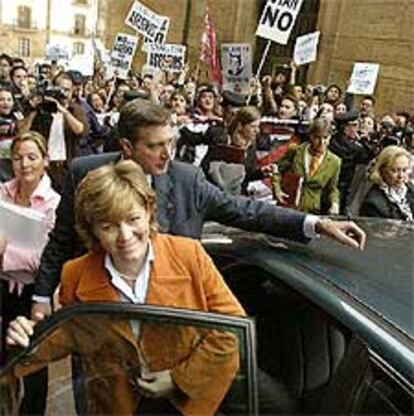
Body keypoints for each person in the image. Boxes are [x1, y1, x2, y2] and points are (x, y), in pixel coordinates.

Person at [31, 99, 366, 319]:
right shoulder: (85, 173)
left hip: (169, 319)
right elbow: (61, 239)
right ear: (127, 147)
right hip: (100, 314)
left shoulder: (187, 180)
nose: (167, 154)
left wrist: (318, 224)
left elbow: (246, 211)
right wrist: (42, 296)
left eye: (171, 143)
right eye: (156, 146)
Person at [7, 160, 245, 415]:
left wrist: (178, 379)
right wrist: (25, 338)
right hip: (116, 405)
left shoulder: (189, 256)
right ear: (92, 230)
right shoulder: (76, 273)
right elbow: (70, 336)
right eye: (108, 226)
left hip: (185, 403)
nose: (125, 236)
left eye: (133, 219)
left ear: (149, 211)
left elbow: (232, 329)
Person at [1, 131, 60, 414]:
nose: (24, 164)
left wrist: (4, 251)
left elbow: (42, 259)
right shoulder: (2, 193)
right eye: (18, 158)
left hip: (33, 293)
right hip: (2, 290)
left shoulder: (54, 203)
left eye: (32, 157)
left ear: (45, 161)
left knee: (34, 363)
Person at [272, 117, 341, 214]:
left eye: (325, 138)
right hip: (288, 207)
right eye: (317, 138)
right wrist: (277, 190)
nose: (322, 142)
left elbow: (332, 188)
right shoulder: (295, 151)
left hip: (312, 211)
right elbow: (277, 170)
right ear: (311, 136)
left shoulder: (334, 162)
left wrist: (335, 203)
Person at [360, 145, 413, 220]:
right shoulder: (373, 203)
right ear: (382, 171)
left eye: (404, 170)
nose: (401, 175)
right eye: (395, 170)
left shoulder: (409, 189)